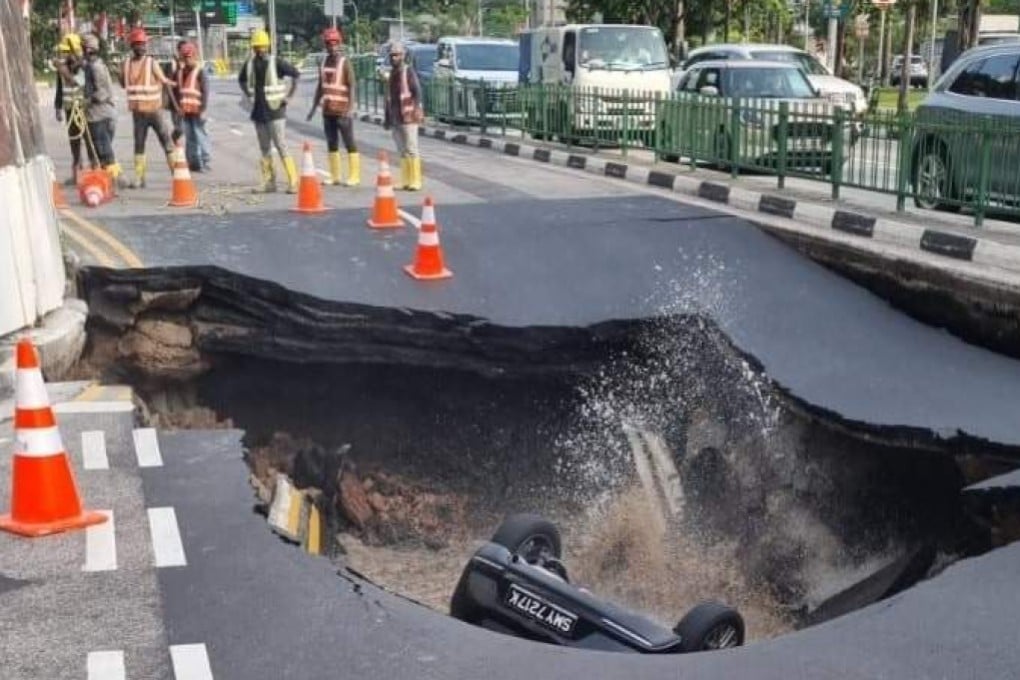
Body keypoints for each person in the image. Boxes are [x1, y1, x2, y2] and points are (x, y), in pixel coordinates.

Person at [238, 29, 300, 194]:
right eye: (256, 47)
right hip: (258, 112)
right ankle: (269, 183)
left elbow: (295, 74)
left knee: (281, 145)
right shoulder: (249, 64)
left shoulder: (276, 62)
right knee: (264, 148)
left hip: (275, 111)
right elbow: (241, 80)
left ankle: (293, 182)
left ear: (267, 46)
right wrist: (248, 94)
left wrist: (289, 97)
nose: (259, 50)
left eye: (262, 46)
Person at [119, 27, 178, 188]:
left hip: (155, 112)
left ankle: (177, 174)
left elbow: (165, 82)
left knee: (166, 142)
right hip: (138, 114)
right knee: (139, 144)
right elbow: (123, 83)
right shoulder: (126, 64)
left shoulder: (152, 63)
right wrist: (120, 72)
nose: (141, 47)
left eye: (143, 44)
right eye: (138, 44)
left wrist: (175, 104)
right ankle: (139, 177)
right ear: (132, 46)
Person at [306, 27, 360, 187]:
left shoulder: (345, 62)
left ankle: (354, 175)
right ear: (325, 45)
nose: (332, 46)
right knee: (331, 142)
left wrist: (350, 109)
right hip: (328, 111)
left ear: (339, 44)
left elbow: (352, 86)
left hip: (343, 111)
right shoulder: (323, 62)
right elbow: (320, 86)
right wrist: (313, 108)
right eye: (329, 43)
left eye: (335, 43)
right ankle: (335, 176)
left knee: (349, 142)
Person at [81, 33, 124, 186]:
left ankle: (115, 179)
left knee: (104, 151)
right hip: (99, 115)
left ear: (87, 50)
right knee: (101, 150)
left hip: (100, 115)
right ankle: (105, 179)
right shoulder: (91, 66)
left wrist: (86, 101)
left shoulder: (96, 67)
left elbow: (102, 93)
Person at [383, 42, 423, 191]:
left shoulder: (408, 71)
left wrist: (416, 108)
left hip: (408, 116)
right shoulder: (391, 74)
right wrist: (387, 118)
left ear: (403, 56)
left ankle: (415, 180)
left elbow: (417, 92)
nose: (394, 58)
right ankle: (406, 180)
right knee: (402, 150)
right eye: (392, 55)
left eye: (397, 55)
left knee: (412, 149)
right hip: (395, 117)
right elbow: (389, 98)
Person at [53, 34, 88, 185]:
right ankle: (77, 175)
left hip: (83, 109)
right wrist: (58, 108)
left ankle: (95, 174)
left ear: (75, 51)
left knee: (89, 141)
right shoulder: (62, 68)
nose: (63, 55)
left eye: (66, 52)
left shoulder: (84, 67)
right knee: (74, 142)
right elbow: (59, 88)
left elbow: (74, 82)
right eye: (62, 52)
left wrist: (62, 69)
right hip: (69, 109)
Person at [175, 43, 212, 173]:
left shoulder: (200, 72)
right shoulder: (181, 73)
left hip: (198, 110)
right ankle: (193, 162)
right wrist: (179, 109)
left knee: (200, 136)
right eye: (185, 57)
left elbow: (205, 92)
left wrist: (203, 109)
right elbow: (179, 92)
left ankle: (205, 161)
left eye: (189, 57)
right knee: (190, 137)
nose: (187, 59)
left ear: (194, 56)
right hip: (186, 111)